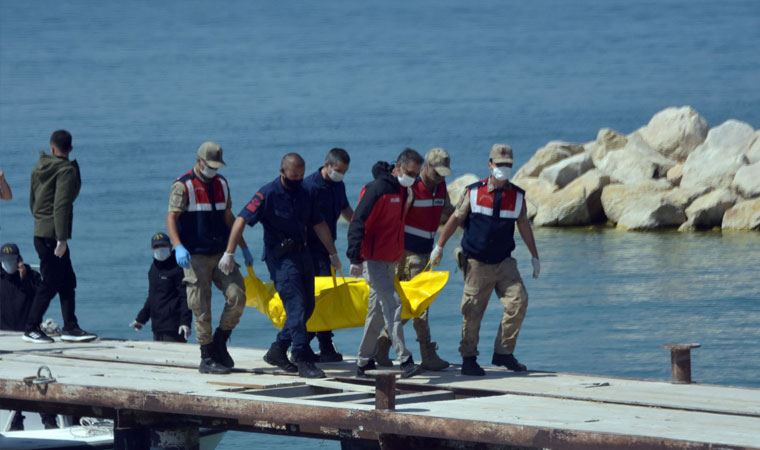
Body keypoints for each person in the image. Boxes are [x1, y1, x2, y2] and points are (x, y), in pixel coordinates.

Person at [222, 153, 343, 379]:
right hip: (280, 260)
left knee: (308, 306)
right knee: (296, 307)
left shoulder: (306, 192)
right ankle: (302, 357)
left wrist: (333, 253)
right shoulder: (268, 193)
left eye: (301, 175)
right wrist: (230, 251)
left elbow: (319, 223)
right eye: (293, 175)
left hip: (303, 254)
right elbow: (241, 220)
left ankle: (278, 350)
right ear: (283, 171)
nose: (297, 179)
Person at [431, 144, 540, 376]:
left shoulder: (517, 196)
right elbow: (455, 218)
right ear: (490, 164)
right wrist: (439, 247)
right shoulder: (473, 192)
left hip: (504, 262)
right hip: (477, 263)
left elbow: (524, 226)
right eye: (500, 164)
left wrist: (534, 256)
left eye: (508, 164)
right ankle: (469, 358)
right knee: (472, 311)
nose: (504, 168)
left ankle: (504, 353)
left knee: (518, 301)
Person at [166, 141, 250, 374]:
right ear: (199, 161)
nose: (213, 170)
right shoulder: (183, 186)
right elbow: (172, 217)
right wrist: (178, 246)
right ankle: (206, 355)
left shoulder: (222, 183)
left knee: (238, 296)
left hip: (222, 253)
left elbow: (228, 216)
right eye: (210, 165)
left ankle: (220, 342)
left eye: (217, 166)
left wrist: (242, 246)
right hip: (195, 255)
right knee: (200, 305)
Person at [374, 148, 454, 371]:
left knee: (411, 305)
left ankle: (381, 344)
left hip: (426, 253)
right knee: (420, 305)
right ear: (425, 166)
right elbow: (396, 218)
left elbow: (446, 210)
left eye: (444, 174)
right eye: (437, 172)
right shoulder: (411, 187)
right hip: (406, 254)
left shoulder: (440, 186)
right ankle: (426, 354)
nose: (440, 177)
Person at [348, 148, 425, 379]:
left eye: (416, 174)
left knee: (377, 313)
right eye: (411, 172)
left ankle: (362, 361)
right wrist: (355, 258)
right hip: (373, 260)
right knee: (393, 304)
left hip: (390, 260)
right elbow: (357, 221)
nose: (413, 178)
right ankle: (405, 359)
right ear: (398, 167)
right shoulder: (378, 189)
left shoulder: (401, 190)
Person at [24, 130, 97, 344]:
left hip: (41, 230)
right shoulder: (65, 171)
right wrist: (62, 238)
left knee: (66, 280)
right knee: (50, 281)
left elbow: (32, 200)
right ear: (70, 149)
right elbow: (62, 204)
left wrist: (41, 222)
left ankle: (70, 327)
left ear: (51, 146)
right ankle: (31, 327)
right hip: (54, 236)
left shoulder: (39, 166)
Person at [302, 148, 354, 363]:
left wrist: (362, 228)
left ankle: (325, 345)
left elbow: (345, 210)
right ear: (327, 164)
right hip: (309, 249)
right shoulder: (309, 187)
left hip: (327, 248)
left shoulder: (338, 185)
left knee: (327, 296)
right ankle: (303, 343)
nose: (341, 174)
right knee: (313, 297)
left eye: (344, 171)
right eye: (338, 170)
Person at [1, 242, 58, 430]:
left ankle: (49, 420)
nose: (9, 263)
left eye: (12, 259)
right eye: (5, 260)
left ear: (19, 260)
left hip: (28, 337)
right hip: (6, 338)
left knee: (39, 382)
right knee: (11, 384)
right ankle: (15, 421)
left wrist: (25, 278)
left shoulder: (32, 277)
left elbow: (42, 296)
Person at [130, 232, 192, 342]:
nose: (160, 249)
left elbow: (186, 297)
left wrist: (185, 322)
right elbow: (152, 297)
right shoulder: (153, 269)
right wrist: (141, 319)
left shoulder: (178, 268)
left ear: (170, 246)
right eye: (156, 246)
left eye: (163, 246)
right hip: (157, 327)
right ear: (152, 249)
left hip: (175, 327)